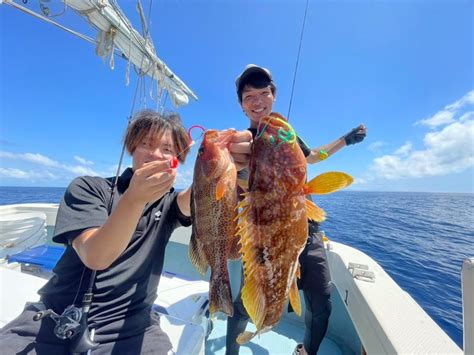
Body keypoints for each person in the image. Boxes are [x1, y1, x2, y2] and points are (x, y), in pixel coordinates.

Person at [0, 109, 252, 355]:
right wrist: (134, 199)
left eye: (167, 149)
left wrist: (233, 166)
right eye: (146, 144)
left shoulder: (170, 204)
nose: (155, 154)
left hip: (134, 326)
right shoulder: (89, 188)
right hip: (54, 318)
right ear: (132, 147)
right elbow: (95, 256)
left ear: (177, 159)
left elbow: (199, 195)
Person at [225, 65, 367, 355]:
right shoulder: (242, 143)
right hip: (265, 237)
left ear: (274, 96)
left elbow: (314, 156)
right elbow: (230, 175)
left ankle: (306, 352)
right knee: (244, 302)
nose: (257, 101)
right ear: (241, 105)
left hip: (303, 229)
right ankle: (232, 350)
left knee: (322, 301)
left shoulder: (286, 137)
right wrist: (230, 162)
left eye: (263, 93)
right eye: (248, 96)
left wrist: (345, 140)